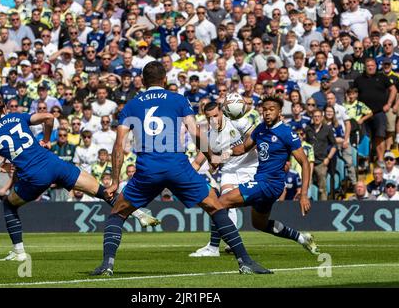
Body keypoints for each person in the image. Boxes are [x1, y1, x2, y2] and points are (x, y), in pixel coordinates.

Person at [90, 61, 270, 276]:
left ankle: (107, 264)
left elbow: (119, 145)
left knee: (117, 214)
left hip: (148, 168)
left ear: (143, 81)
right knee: (215, 207)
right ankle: (245, 261)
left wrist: (116, 181)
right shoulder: (177, 99)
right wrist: (211, 156)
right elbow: (194, 132)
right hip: (177, 166)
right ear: (164, 79)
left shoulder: (132, 104)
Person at [0, 93, 160, 262]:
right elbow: (49, 117)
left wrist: (0, 167)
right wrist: (46, 139)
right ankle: (138, 213)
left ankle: (19, 252)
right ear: (4, 108)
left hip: (35, 176)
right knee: (102, 192)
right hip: (55, 164)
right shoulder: (16, 117)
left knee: (9, 204)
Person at [215, 94, 318, 255]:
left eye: (272, 109)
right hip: (263, 182)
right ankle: (302, 238)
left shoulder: (286, 133)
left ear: (279, 112)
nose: (267, 113)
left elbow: (304, 162)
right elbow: (243, 148)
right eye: (265, 110)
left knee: (221, 202)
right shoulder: (260, 129)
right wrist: (223, 153)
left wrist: (304, 194)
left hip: (269, 183)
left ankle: (217, 248)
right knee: (259, 224)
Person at [189, 102, 258, 257]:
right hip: (229, 171)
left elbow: (256, 138)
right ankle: (220, 245)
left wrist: (231, 152)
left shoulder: (236, 121)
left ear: (222, 112)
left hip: (250, 167)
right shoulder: (210, 136)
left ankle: (225, 242)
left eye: (215, 116)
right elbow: (198, 162)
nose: (213, 120)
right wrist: (182, 178)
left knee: (259, 215)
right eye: (209, 118)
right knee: (223, 203)